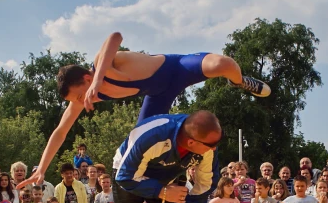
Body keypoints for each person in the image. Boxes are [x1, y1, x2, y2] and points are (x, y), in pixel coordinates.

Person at [20, 33, 270, 186]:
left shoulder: (103, 65)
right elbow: (60, 131)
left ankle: (238, 82)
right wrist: (41, 170)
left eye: (79, 95)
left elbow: (115, 36)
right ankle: (157, 186)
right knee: (139, 143)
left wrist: (98, 81)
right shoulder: (81, 98)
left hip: (175, 69)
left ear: (87, 78)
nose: (82, 102)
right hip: (157, 95)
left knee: (224, 63)